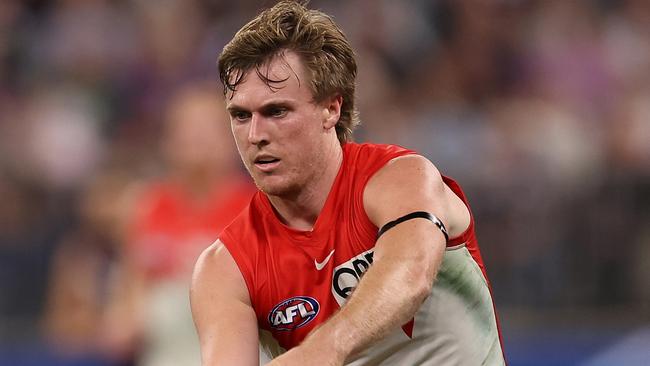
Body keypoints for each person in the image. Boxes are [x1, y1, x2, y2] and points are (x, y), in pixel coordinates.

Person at [190, 2, 506, 365]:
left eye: (276, 111)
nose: (256, 135)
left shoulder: (403, 180)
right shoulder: (226, 267)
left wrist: (323, 349)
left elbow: (413, 274)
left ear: (331, 109)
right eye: (241, 116)